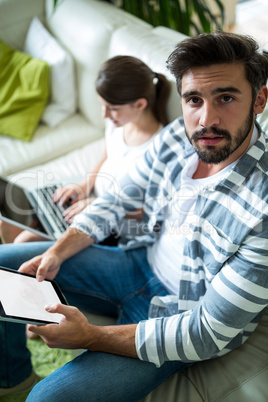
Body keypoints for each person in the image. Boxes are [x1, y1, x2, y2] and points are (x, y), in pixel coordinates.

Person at [0, 31, 268, 401]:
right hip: (136, 261)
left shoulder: (263, 209)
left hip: (179, 311)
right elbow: (117, 198)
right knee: (2, 266)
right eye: (194, 99)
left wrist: (91, 337)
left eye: (225, 97)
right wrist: (58, 251)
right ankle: (13, 379)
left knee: (48, 399)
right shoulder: (179, 134)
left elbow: (208, 331)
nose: (207, 119)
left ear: (259, 99)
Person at [0, 55, 170, 243]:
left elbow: (152, 209)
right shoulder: (118, 123)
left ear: (140, 104)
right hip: (90, 200)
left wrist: (100, 206)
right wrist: (84, 184)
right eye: (102, 105)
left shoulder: (159, 150)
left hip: (111, 223)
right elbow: (107, 158)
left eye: (111, 108)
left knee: (24, 240)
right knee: (7, 224)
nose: (104, 114)